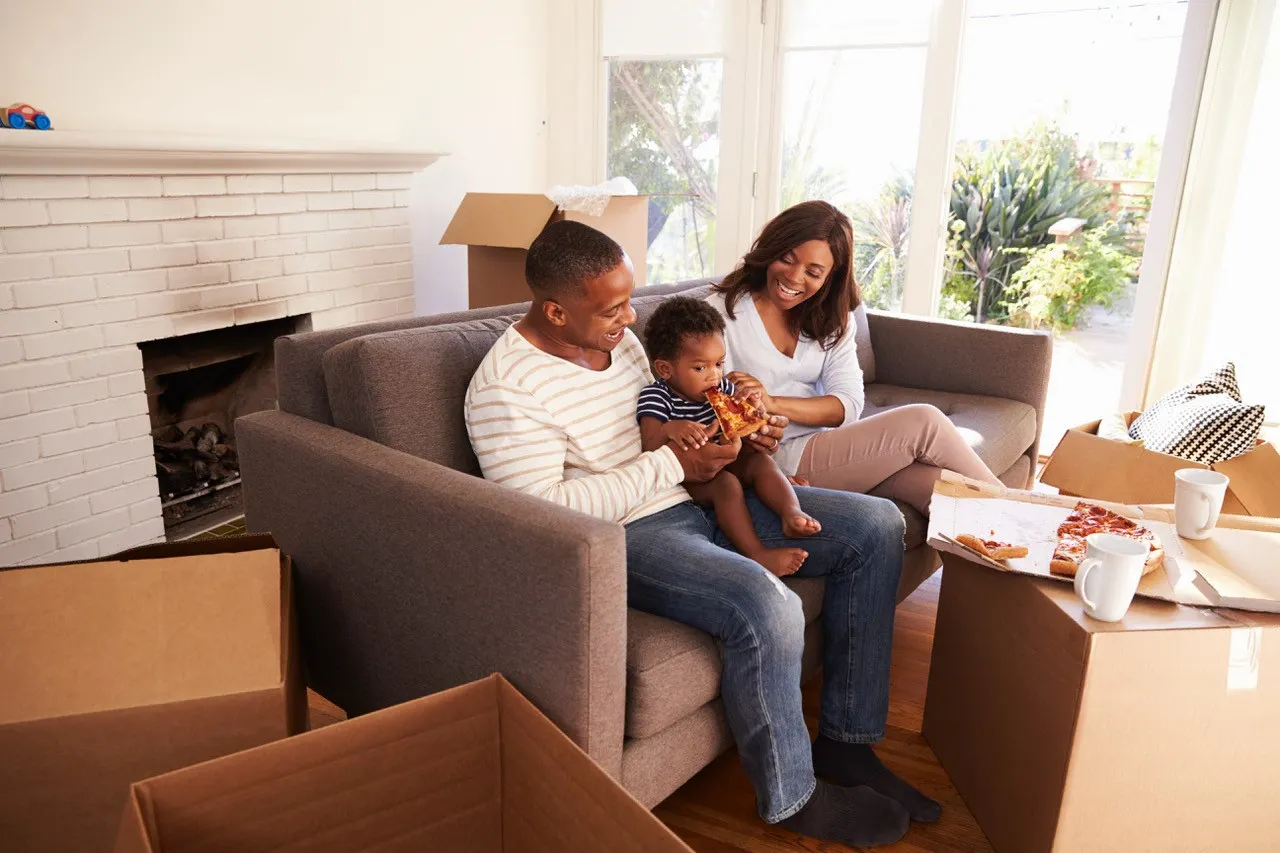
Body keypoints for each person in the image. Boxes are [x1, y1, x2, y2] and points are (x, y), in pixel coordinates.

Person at [465, 220, 939, 848]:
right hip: (630, 534)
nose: (631, 319)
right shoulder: (506, 389)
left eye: (628, 300)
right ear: (555, 310)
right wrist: (672, 465)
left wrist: (740, 433)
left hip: (701, 491)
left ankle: (847, 746)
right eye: (613, 309)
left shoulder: (621, 342)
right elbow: (543, 514)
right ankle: (792, 796)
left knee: (876, 526)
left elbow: (672, 404)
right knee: (766, 604)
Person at [708, 200, 1002, 517]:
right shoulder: (718, 315)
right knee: (924, 422)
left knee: (942, 492)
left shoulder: (830, 317)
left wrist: (774, 402)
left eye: (813, 272)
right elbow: (698, 406)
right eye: (786, 259)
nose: (794, 277)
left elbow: (847, 405)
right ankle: (1026, 512)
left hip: (829, 446)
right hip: (775, 461)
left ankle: (1016, 550)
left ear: (830, 278)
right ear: (770, 250)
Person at [637, 296, 819, 578]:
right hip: (692, 480)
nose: (714, 376)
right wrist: (672, 429)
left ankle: (790, 512)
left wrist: (754, 410)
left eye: (719, 363)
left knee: (760, 461)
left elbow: (748, 424)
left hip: (727, 457)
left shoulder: (721, 386)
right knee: (727, 484)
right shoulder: (657, 396)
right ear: (665, 369)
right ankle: (757, 553)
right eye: (700, 368)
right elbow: (650, 443)